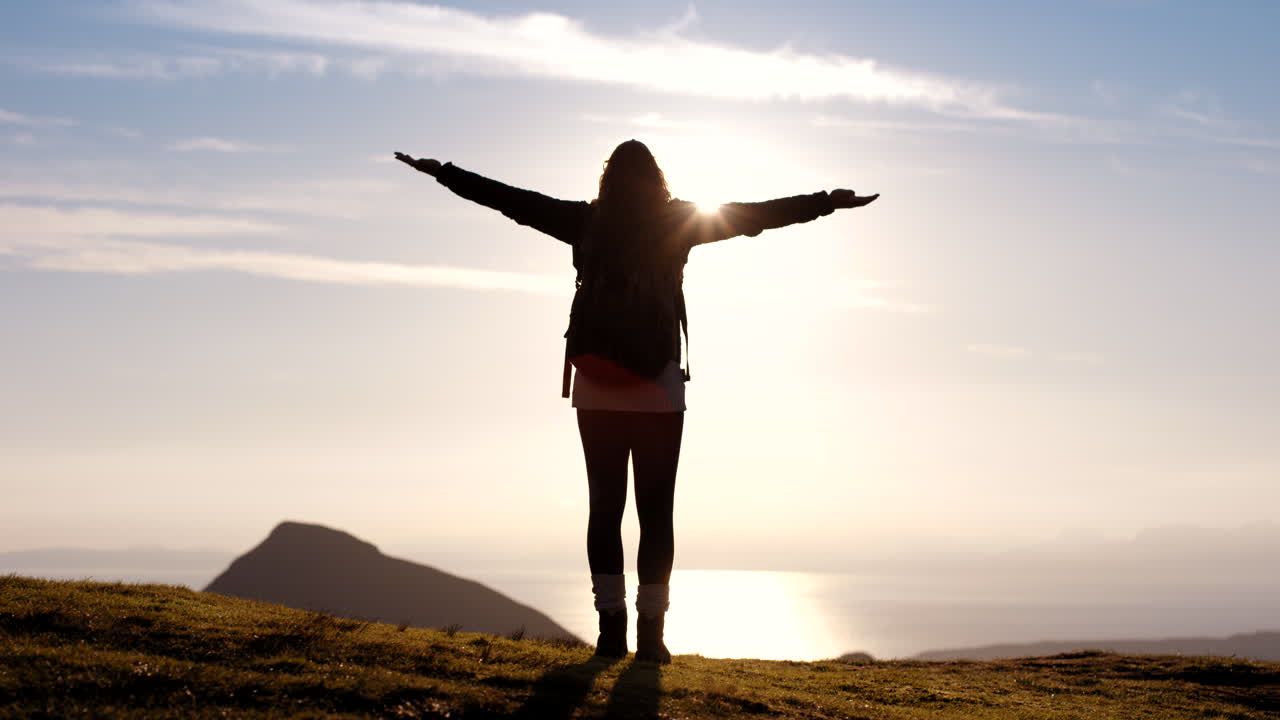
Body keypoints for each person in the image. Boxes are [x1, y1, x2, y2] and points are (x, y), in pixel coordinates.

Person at [394, 140, 878, 664]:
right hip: (658, 388)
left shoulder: (584, 221)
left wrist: (443, 172)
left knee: (604, 509)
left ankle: (609, 631)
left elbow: (508, 199)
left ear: (608, 179)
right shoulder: (680, 222)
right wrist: (827, 200)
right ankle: (651, 637)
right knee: (656, 512)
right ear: (658, 180)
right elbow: (756, 216)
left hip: (596, 382)